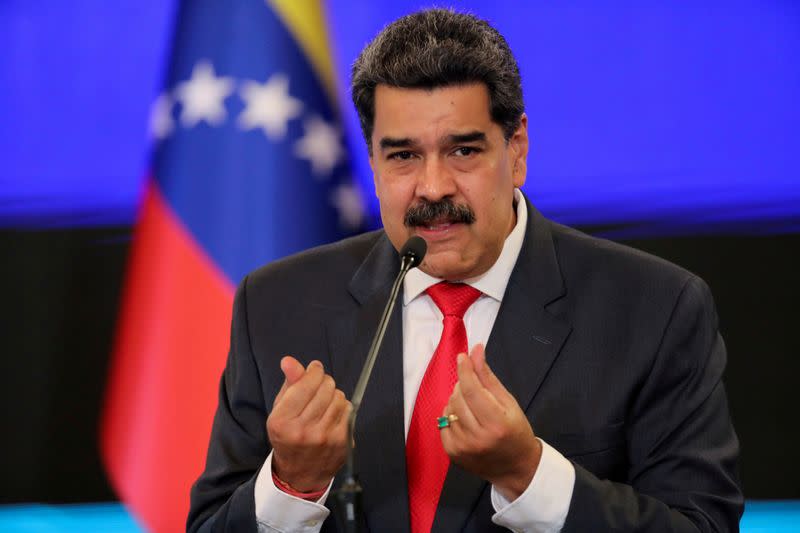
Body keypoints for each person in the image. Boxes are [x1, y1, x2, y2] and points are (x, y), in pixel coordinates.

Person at [187, 8, 743, 532]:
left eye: (463, 151)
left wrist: (529, 475)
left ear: (517, 148)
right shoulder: (278, 304)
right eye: (403, 155)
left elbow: (703, 524)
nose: (433, 187)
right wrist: (292, 485)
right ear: (374, 161)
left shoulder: (654, 307)